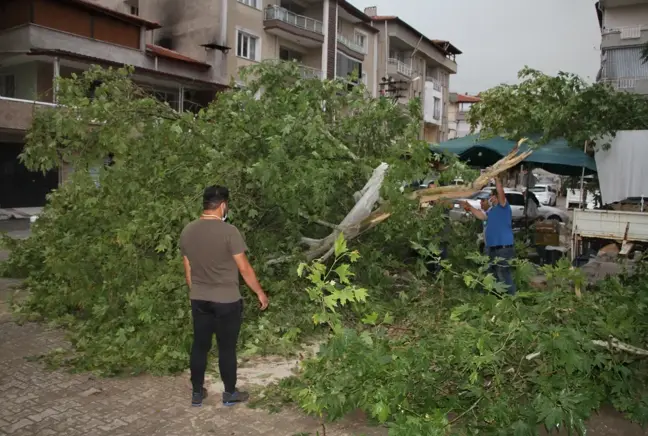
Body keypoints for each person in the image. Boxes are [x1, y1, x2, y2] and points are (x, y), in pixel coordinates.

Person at [180, 185, 269, 408]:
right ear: (222, 205)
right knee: (226, 348)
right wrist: (259, 292)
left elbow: (188, 269)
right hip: (227, 301)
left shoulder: (188, 231)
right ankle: (229, 393)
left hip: (199, 299)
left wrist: (196, 292)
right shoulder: (230, 232)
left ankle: (197, 393)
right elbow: (245, 268)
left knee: (199, 345)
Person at [460, 177, 516, 295]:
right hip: (491, 248)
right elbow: (481, 216)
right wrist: (470, 207)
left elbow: (500, 191)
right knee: (493, 277)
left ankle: (512, 302)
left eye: (491, 196)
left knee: (503, 276)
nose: (489, 198)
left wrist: (496, 178)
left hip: (503, 248)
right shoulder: (491, 210)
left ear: (496, 197)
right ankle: (498, 303)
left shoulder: (503, 207)